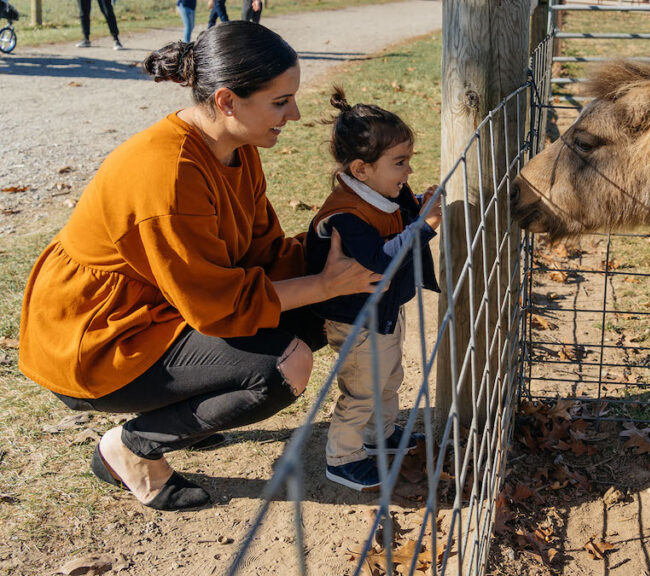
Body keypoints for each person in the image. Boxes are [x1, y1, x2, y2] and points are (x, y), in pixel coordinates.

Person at [18, 21, 381, 511]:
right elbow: (220, 305)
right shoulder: (168, 176)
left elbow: (263, 253)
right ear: (228, 101)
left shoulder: (237, 149)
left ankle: (185, 414)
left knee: (323, 308)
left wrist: (352, 239)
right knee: (283, 367)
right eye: (280, 101)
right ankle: (131, 450)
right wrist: (321, 283)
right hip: (99, 340)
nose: (294, 113)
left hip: (167, 309)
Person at [305, 88, 441, 491]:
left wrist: (418, 208)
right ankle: (343, 458)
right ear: (361, 169)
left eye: (409, 161)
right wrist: (426, 225)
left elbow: (400, 222)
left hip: (382, 311)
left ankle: (378, 437)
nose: (408, 172)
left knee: (387, 380)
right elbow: (382, 258)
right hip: (355, 322)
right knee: (361, 391)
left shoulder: (386, 193)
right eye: (400, 163)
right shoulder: (345, 214)